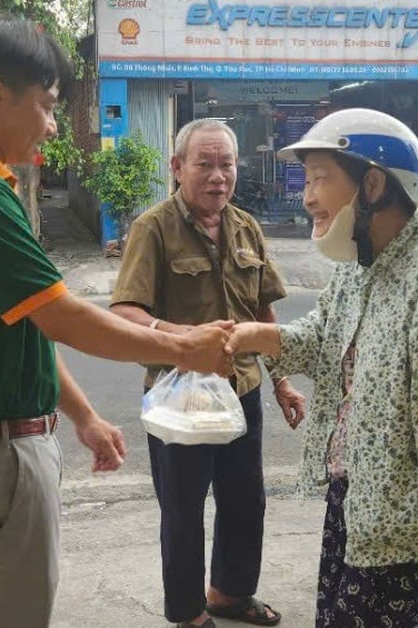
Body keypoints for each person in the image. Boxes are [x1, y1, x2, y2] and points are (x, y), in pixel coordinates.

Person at [0, 16, 233, 628]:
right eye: (48, 106)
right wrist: (184, 348)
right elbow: (65, 317)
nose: (53, 125)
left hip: (3, 447)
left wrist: (82, 415)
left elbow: (26, 321)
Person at [224, 108, 418, 627]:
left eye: (319, 179)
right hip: (359, 506)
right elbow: (321, 338)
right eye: (306, 179)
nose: (307, 196)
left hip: (410, 532)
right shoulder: (361, 265)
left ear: (374, 184)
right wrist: (252, 336)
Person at [109, 118, 305, 628]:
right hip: (180, 400)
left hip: (242, 390)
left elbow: (264, 315)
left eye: (227, 164)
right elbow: (125, 311)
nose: (218, 176)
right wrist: (182, 340)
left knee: (246, 502)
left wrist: (282, 381)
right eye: (205, 164)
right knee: (183, 512)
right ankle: (189, 614)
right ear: (177, 168)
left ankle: (228, 594)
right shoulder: (152, 228)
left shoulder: (246, 227)